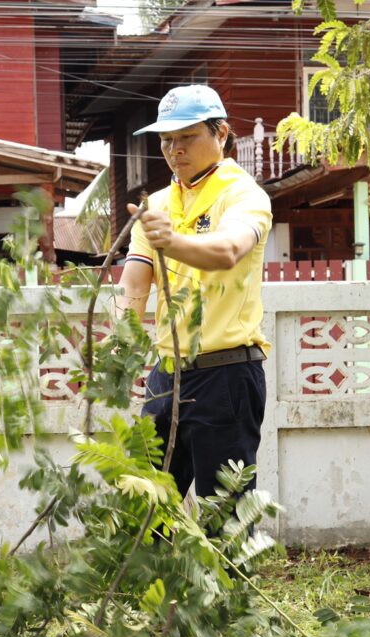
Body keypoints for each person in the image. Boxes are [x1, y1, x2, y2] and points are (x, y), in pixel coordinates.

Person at [116, 84, 273, 502]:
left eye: (187, 136)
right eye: (166, 140)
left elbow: (228, 250)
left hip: (226, 374)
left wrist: (172, 242)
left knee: (224, 513)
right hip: (166, 376)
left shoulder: (244, 195)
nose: (175, 150)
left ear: (221, 133)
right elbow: (135, 282)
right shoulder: (157, 205)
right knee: (142, 507)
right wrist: (122, 335)